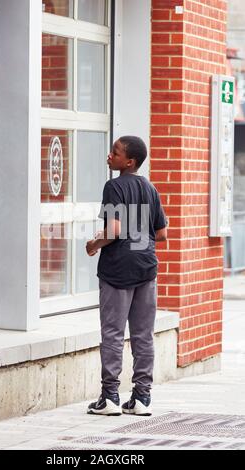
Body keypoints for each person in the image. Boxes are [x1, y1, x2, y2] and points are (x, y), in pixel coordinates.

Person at [86, 136, 168, 416]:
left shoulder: (114, 186)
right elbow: (161, 234)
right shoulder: (150, 188)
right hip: (146, 267)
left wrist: (94, 244)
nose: (110, 155)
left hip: (118, 269)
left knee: (112, 332)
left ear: (129, 162)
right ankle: (142, 398)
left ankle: (110, 397)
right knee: (143, 335)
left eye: (116, 152)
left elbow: (115, 230)